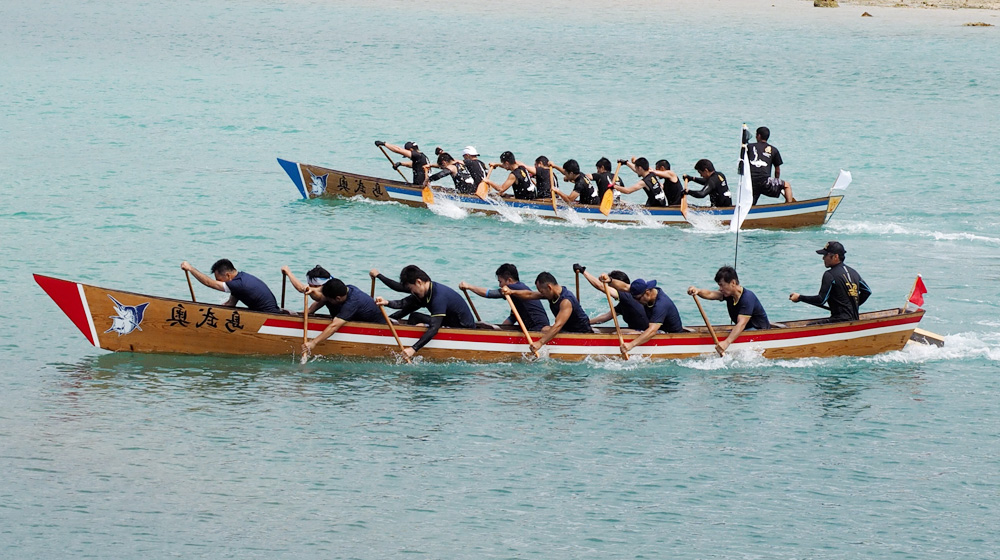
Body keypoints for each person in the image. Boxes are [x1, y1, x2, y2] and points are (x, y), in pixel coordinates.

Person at [374, 265, 475, 359]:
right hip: (447, 321)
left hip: (462, 329)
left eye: (411, 289)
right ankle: (407, 341)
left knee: (422, 322)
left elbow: (434, 328)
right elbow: (403, 303)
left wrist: (413, 349)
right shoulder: (424, 291)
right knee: (414, 316)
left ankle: (410, 348)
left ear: (418, 282)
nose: (412, 292)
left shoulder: (438, 297)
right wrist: (386, 302)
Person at [502, 271, 593, 353]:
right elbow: (530, 294)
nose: (541, 294)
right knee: (544, 329)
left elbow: (558, 325)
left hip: (581, 332)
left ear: (549, 287)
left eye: (542, 291)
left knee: (548, 329)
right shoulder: (552, 294)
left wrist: (540, 343)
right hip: (567, 328)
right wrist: (512, 292)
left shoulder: (566, 301)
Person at [687, 266, 769, 354]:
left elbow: (741, 324)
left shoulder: (747, 298)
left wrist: (726, 342)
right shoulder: (728, 295)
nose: (720, 289)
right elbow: (710, 294)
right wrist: (698, 291)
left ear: (733, 283)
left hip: (759, 331)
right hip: (745, 330)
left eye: (722, 285)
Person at [789, 241, 871, 322]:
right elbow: (867, 291)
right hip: (854, 320)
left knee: (808, 327)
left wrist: (799, 297)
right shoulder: (854, 272)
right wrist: (853, 306)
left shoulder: (829, 275)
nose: (823, 258)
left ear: (835, 256)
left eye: (825, 255)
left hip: (839, 321)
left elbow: (821, 300)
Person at [603, 277, 684, 354]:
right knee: (618, 332)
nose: (636, 301)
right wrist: (610, 280)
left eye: (638, 299)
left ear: (647, 293)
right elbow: (624, 287)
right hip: (658, 330)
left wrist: (631, 345)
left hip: (670, 335)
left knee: (624, 333)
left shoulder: (661, 304)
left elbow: (652, 331)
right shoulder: (642, 291)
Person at [302, 279, 383, 355]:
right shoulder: (345, 288)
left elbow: (334, 326)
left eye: (330, 299)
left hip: (378, 328)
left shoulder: (351, 303)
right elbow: (324, 293)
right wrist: (312, 290)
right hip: (358, 317)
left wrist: (313, 343)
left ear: (338, 298)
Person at [459, 263, 550, 331]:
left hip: (538, 329)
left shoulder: (513, 288)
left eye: (500, 282)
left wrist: (469, 287)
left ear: (509, 280)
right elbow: (512, 318)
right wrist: (500, 329)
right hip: (535, 327)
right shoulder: (519, 290)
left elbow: (489, 294)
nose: (500, 285)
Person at [181, 259, 281, 313]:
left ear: (228, 275)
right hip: (269, 312)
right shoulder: (240, 277)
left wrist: (190, 268)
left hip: (269, 316)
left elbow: (209, 283)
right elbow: (233, 299)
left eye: (219, 280)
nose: (218, 282)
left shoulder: (238, 284)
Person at [573, 264, 647, 332]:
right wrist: (584, 322)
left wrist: (583, 272)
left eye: (610, 286)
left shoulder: (627, 296)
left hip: (645, 333)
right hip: (638, 331)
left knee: (616, 334)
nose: (609, 289)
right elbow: (605, 317)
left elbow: (601, 287)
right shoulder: (624, 303)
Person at [747, 126, 794, 204]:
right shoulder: (774, 150)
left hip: (751, 182)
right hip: (765, 182)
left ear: (758, 136)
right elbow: (777, 170)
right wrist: (776, 180)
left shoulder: (749, 147)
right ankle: (789, 207)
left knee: (751, 203)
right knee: (787, 185)